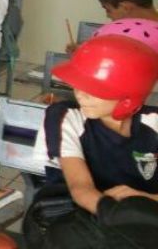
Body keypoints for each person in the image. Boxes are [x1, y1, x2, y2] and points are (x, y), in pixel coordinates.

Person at [30, 35, 158, 248]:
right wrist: (120, 212)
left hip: (143, 219)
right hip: (81, 215)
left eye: (95, 90)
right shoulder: (66, 117)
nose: (81, 95)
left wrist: (143, 201)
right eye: (78, 85)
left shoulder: (153, 123)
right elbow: (80, 188)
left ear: (129, 97)